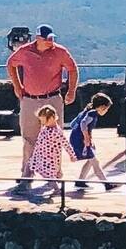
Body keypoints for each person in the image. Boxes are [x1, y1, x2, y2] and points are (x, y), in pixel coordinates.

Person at [5, 24, 79, 195]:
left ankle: (54, 175)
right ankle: (27, 176)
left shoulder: (60, 51)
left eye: (52, 38)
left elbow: (72, 69)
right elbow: (10, 64)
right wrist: (17, 86)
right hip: (30, 100)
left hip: (52, 98)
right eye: (47, 39)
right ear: (38, 39)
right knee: (29, 139)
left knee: (54, 138)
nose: (51, 41)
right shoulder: (25, 51)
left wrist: (71, 91)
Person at [68, 93, 114, 191]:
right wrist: (86, 137)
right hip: (81, 140)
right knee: (95, 162)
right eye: (106, 109)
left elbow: (73, 124)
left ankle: (80, 181)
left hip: (75, 138)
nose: (106, 111)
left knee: (91, 160)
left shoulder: (86, 111)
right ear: (101, 107)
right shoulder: (92, 113)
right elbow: (83, 123)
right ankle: (107, 184)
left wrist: (86, 136)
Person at [23, 105, 68, 203]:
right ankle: (24, 183)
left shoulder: (56, 131)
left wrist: (71, 156)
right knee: (30, 165)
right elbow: (40, 142)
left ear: (51, 118)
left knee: (48, 175)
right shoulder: (45, 128)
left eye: (43, 121)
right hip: (40, 155)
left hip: (49, 158)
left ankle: (57, 189)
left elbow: (64, 144)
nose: (42, 123)